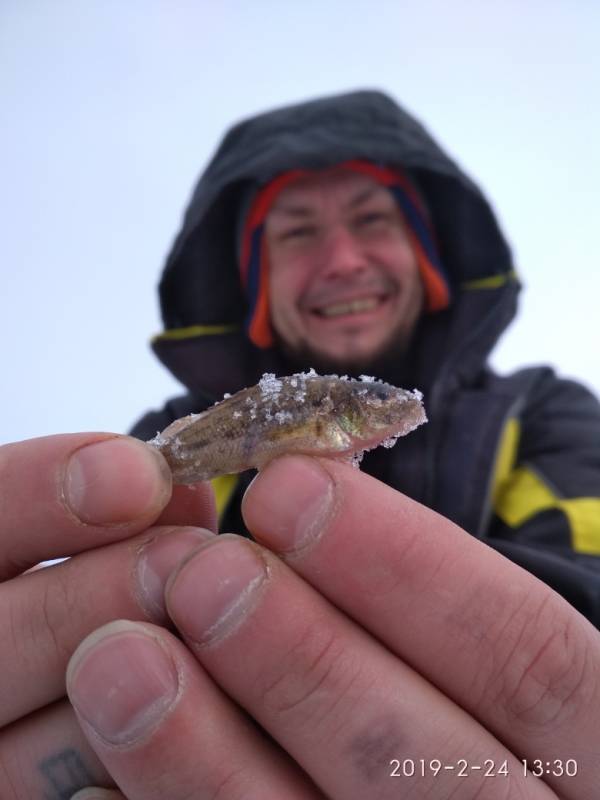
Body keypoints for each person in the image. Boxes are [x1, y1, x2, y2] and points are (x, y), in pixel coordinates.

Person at [2, 90, 600, 798]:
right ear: (253, 281)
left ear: (429, 254)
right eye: (296, 232)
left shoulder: (544, 416)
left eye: (372, 219)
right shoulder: (153, 451)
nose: (343, 259)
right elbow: (107, 640)